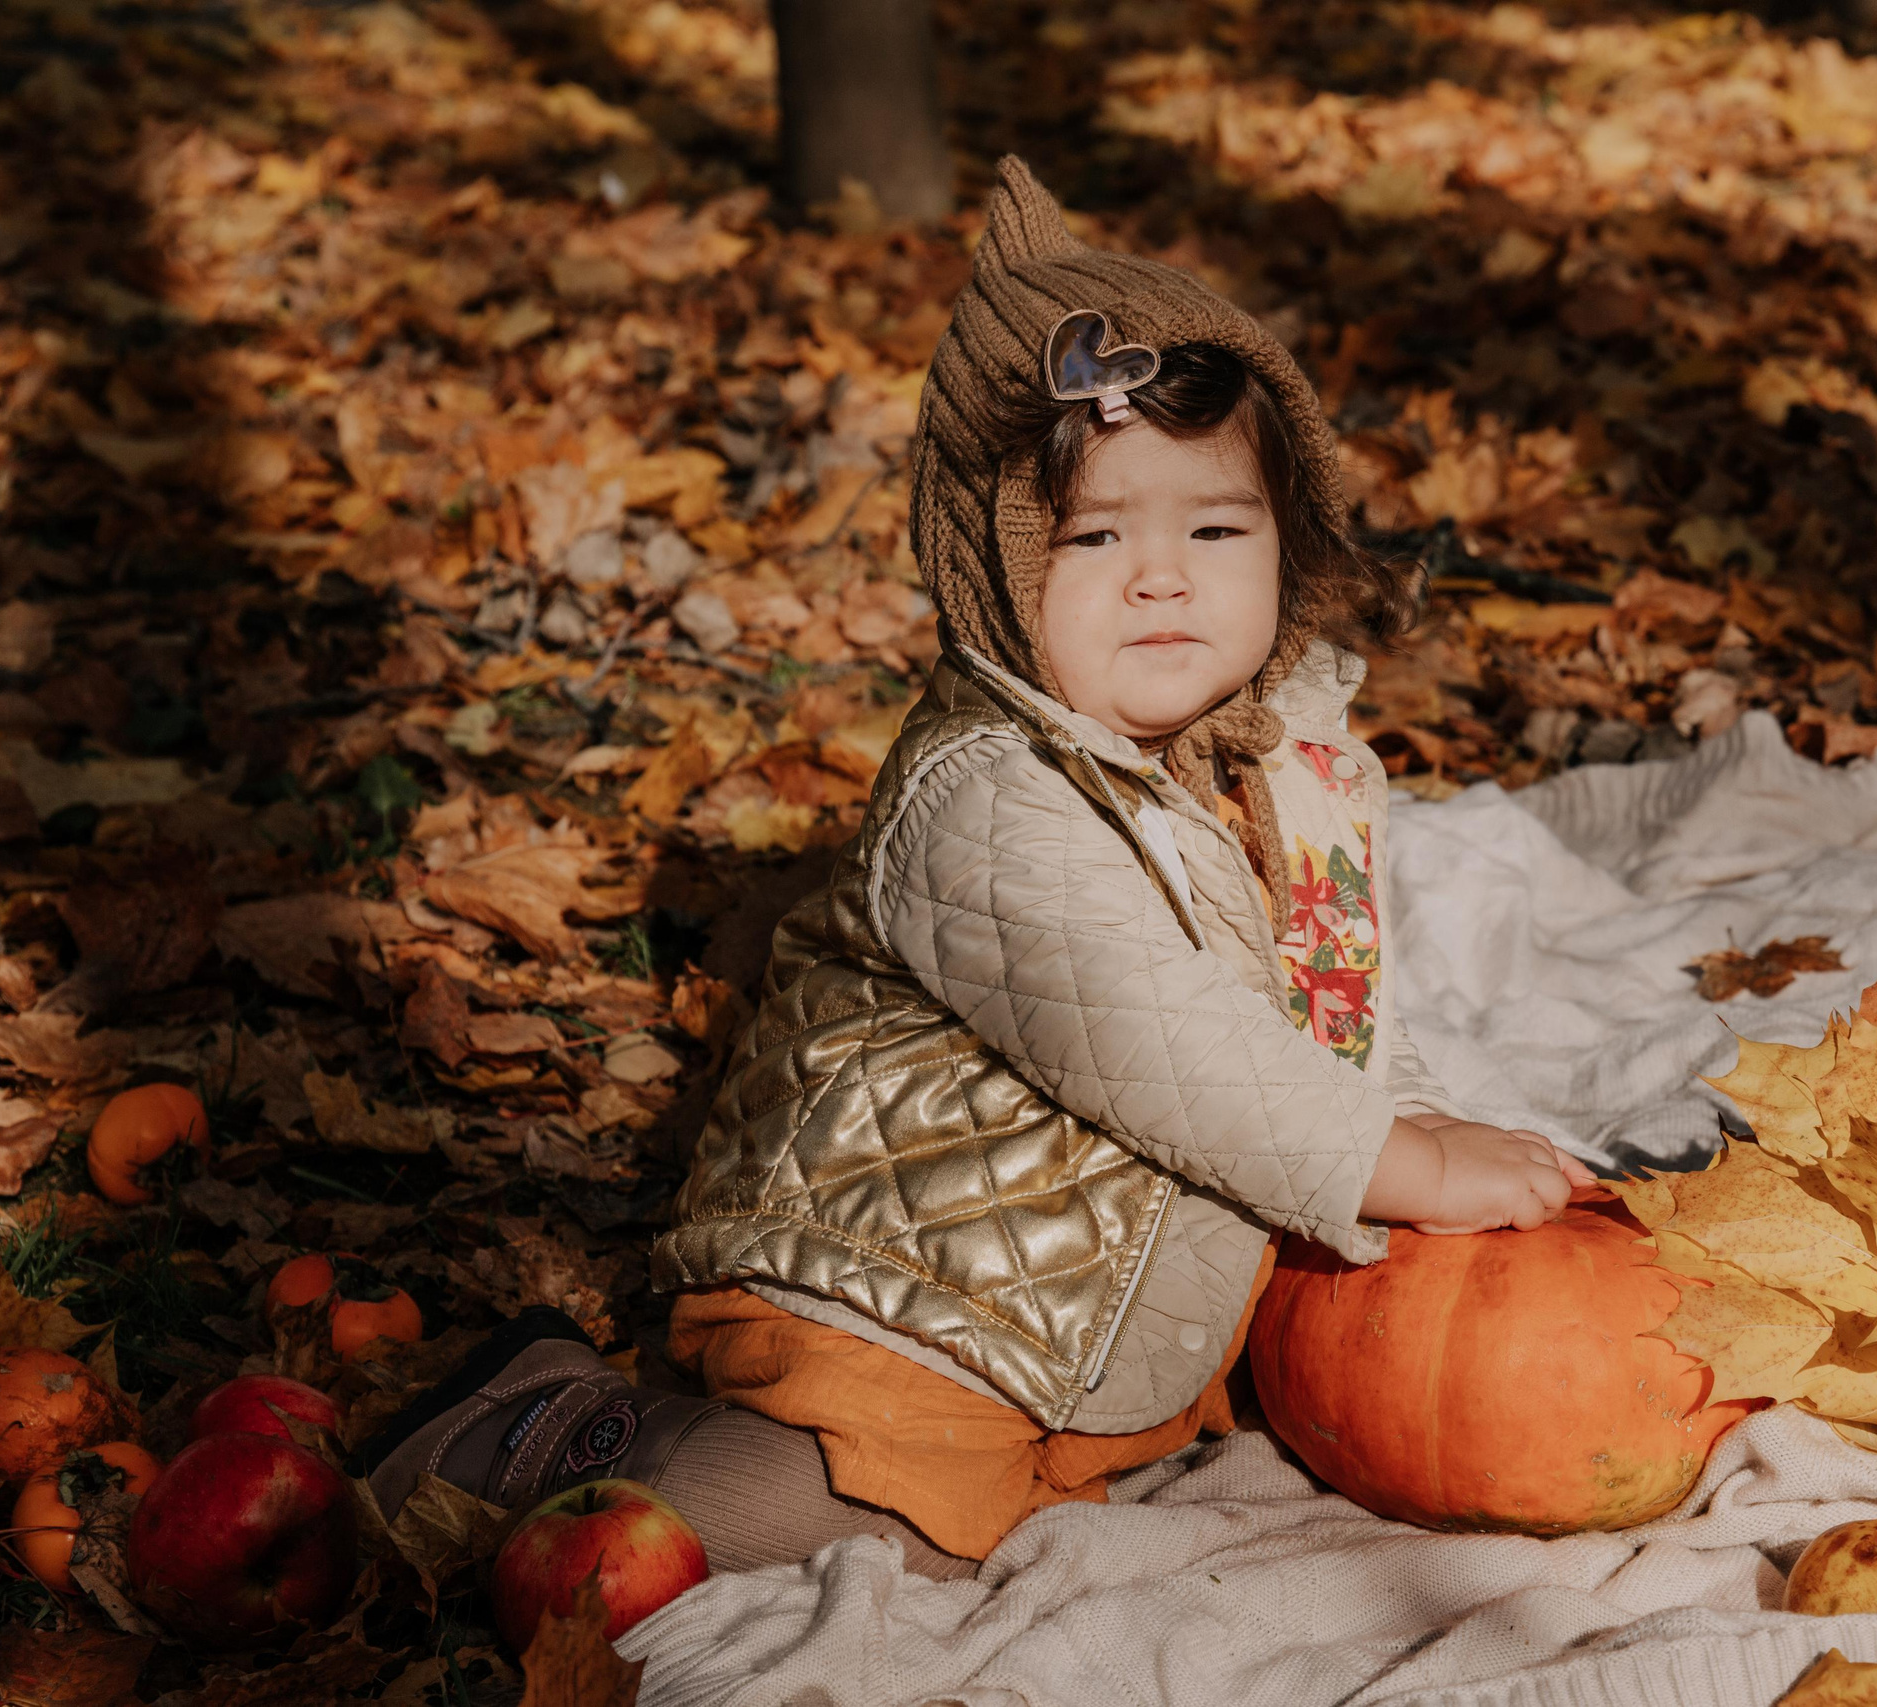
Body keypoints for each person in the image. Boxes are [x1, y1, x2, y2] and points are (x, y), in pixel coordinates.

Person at [362, 158, 1594, 1580]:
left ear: (1288, 542)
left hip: (1082, 1309)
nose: (1163, 578)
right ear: (996, 576)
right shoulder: (985, 798)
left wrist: (1424, 1124)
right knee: (768, 1538)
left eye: (1213, 529)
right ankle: (544, 1425)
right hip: (905, 1293)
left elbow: (1338, 1009)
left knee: (1026, 1529)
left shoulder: (1285, 767)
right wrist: (1397, 1163)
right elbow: (1159, 1040)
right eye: (1095, 538)